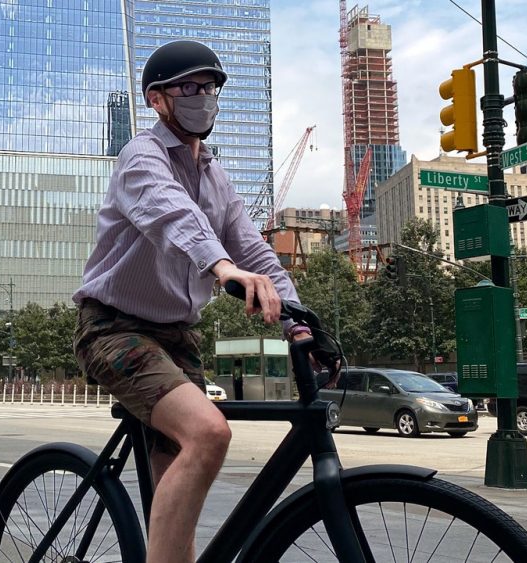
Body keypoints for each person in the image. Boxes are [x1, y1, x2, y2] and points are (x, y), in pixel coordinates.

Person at [72, 40, 340, 563]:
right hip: (114, 329)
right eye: (189, 88)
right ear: (157, 99)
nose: (204, 97)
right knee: (209, 433)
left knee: (181, 481)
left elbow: (257, 252)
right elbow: (171, 213)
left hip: (178, 337)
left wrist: (301, 327)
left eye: (211, 88)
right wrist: (221, 267)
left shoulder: (215, 176)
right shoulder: (139, 157)